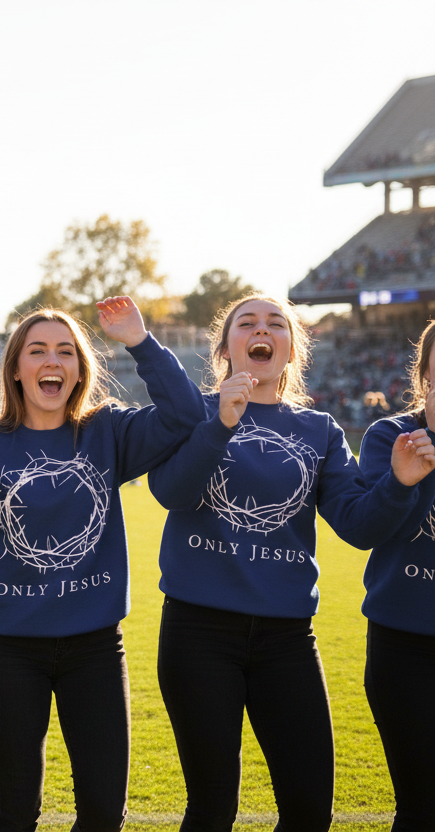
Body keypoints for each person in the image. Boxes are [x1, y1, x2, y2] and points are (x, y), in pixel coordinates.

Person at [0, 302, 206, 832]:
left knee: (104, 812)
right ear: (15, 369)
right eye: (37, 351)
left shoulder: (108, 431)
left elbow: (186, 416)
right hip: (10, 653)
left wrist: (141, 342)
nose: (51, 361)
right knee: (17, 812)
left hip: (96, 650)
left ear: (79, 370)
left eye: (65, 352)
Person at [146, 294, 435, 832]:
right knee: (212, 809)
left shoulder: (320, 430)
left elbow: (358, 526)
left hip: (287, 638)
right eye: (247, 323)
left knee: (309, 811)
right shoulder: (195, 412)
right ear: (225, 348)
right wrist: (220, 424)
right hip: (198, 634)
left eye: (276, 323)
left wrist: (399, 484)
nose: (262, 330)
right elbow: (171, 492)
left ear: (292, 349)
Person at [358, 318, 435, 832]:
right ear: (425, 373)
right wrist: (405, 479)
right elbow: (374, 530)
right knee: (420, 807)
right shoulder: (391, 435)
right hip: (405, 645)